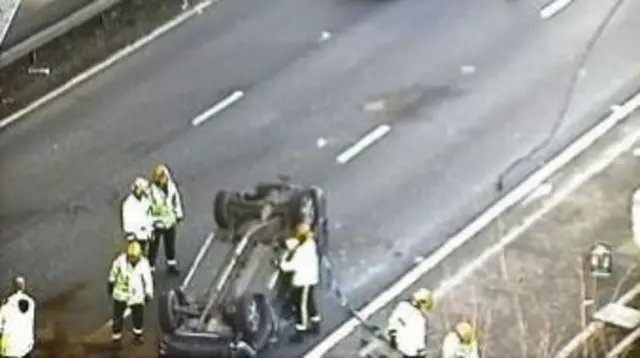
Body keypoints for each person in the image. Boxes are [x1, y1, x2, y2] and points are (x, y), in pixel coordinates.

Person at [279, 223, 321, 343]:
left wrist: (280, 263)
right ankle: (316, 323)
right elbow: (296, 243)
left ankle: (300, 332)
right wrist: (286, 243)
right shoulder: (309, 244)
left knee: (300, 306)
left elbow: (289, 266)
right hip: (310, 278)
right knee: (309, 302)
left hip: (304, 281)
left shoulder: (302, 252)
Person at [107, 241, 154, 345]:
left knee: (138, 316)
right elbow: (113, 273)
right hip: (121, 294)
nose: (133, 260)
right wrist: (110, 283)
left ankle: (137, 336)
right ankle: (116, 338)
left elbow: (147, 279)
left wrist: (148, 293)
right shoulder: (119, 261)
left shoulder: (143, 263)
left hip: (136, 294)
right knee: (118, 317)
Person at [148, 164, 184, 275]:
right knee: (153, 248)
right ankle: (150, 268)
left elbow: (176, 201)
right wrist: (150, 223)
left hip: (169, 221)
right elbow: (147, 207)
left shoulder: (171, 187)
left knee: (170, 245)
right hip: (157, 224)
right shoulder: (151, 191)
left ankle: (171, 265)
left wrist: (178, 214)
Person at [385, 288, 434, 358]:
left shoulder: (420, 318)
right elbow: (394, 321)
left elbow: (393, 321)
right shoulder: (406, 308)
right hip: (407, 349)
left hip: (408, 349)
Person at [0, 277, 35, 358]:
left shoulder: (7, 303)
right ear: (23, 287)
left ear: (13, 287)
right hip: (26, 348)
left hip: (9, 350)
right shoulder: (31, 302)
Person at [122, 177, 154, 255]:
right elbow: (128, 222)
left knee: (143, 256)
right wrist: (133, 234)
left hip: (144, 236)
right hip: (134, 237)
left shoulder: (146, 201)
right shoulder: (128, 204)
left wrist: (150, 230)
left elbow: (149, 216)